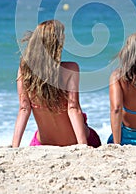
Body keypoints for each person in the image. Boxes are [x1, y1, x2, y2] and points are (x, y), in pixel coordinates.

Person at [12, 19, 101, 148]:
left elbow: (24, 109)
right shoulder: (70, 69)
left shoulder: (25, 69)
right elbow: (73, 108)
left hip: (43, 144)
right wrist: (83, 146)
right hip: (73, 141)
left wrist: (15, 147)